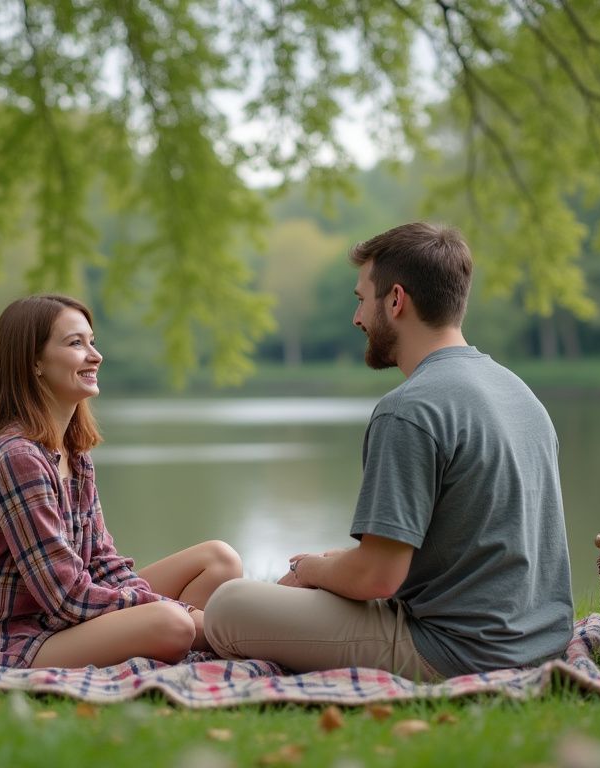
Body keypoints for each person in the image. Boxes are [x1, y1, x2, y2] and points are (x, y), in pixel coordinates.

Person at [204, 222, 573, 680]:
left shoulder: (409, 410)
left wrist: (318, 570)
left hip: (455, 655)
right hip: (541, 646)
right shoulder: (519, 393)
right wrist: (329, 566)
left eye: (361, 299)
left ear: (395, 300)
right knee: (318, 574)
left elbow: (378, 578)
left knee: (229, 604)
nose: (357, 317)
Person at [0, 294, 243, 668]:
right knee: (173, 625)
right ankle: (221, 636)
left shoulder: (73, 452)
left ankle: (214, 636)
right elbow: (66, 597)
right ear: (34, 362)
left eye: (92, 342)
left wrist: (155, 602)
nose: (95, 356)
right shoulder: (17, 458)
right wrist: (180, 612)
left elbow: (101, 561)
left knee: (218, 560)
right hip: (5, 636)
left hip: (55, 620)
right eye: (75, 343)